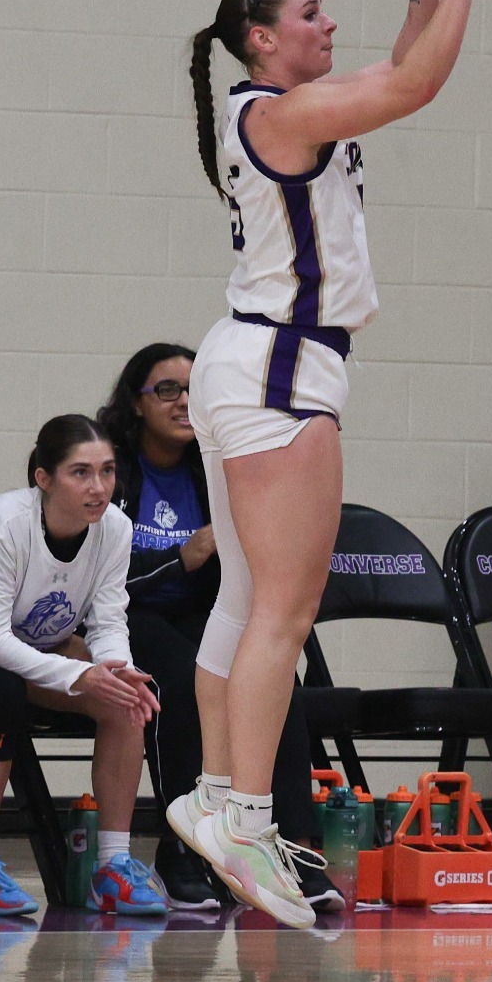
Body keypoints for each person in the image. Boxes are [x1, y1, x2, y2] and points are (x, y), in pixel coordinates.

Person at [171, 0, 492, 928]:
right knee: (285, 608)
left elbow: (384, 73)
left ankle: (222, 799)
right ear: (261, 38)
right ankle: (247, 812)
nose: (328, 23)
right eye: (310, 13)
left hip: (249, 359)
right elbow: (414, 83)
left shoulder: (268, 106)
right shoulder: (279, 112)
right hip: (280, 368)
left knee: (244, 599)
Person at [96, 343, 343, 914]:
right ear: (134, 404)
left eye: (193, 390)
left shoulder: (218, 463)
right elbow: (100, 576)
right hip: (131, 613)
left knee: (279, 682)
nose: (184, 401)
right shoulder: (113, 469)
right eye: (167, 390)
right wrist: (181, 556)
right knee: (181, 681)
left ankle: (292, 850)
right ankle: (183, 852)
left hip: (204, 609)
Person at [0, 414, 167, 916]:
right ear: (43, 479)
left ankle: (113, 867)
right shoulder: (5, 521)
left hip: (37, 641)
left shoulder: (116, 528)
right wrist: (77, 673)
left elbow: (108, 619)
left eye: (107, 471)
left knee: (125, 699)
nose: (98, 487)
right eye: (80, 473)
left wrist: (114, 665)